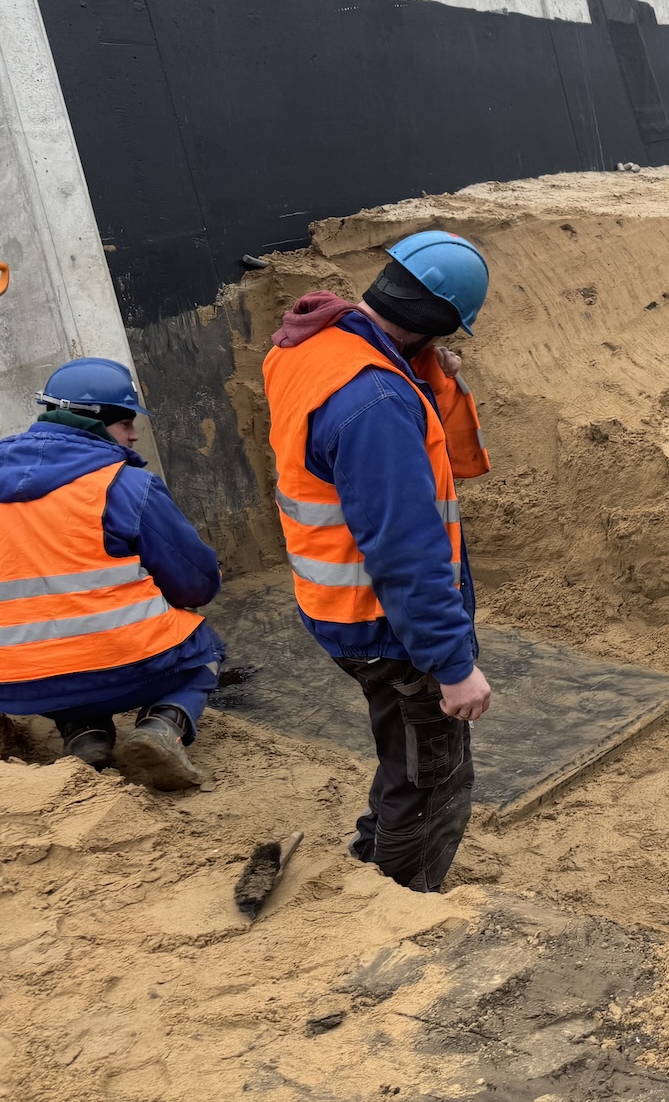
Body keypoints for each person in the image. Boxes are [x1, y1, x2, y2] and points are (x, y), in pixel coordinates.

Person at [262, 230, 495, 892]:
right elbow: (406, 551)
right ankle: (395, 899)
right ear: (439, 322)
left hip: (337, 603)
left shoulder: (313, 347)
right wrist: (452, 665)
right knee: (433, 777)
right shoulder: (377, 403)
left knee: (405, 750)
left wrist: (420, 367)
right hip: (385, 623)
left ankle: (371, 857)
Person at [0, 358, 223, 789]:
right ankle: (163, 725)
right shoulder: (125, 486)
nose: (134, 434)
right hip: (125, 670)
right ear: (95, 424)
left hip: (15, 684)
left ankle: (86, 733)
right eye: (126, 422)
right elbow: (195, 584)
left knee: (60, 660)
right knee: (205, 648)